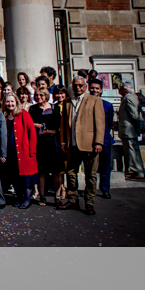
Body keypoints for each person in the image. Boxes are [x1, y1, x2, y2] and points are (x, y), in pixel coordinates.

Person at [57, 76, 104, 215]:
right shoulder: (67, 102)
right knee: (71, 173)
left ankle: (89, 203)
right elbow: (64, 124)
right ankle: (72, 199)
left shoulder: (94, 101)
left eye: (80, 85)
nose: (78, 88)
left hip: (89, 143)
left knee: (91, 175)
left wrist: (98, 142)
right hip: (72, 144)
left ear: (85, 86)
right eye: (75, 85)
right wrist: (64, 142)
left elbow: (100, 123)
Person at [1, 93, 37, 209]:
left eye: (12, 101)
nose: (10, 104)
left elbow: (32, 131)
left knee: (26, 177)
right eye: (8, 102)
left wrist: (32, 150)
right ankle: (19, 197)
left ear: (16, 102)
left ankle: (27, 199)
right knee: (15, 176)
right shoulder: (5, 116)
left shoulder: (23, 114)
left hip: (24, 150)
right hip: (11, 150)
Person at [28, 88, 62, 206]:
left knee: (56, 172)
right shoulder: (32, 109)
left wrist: (46, 130)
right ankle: (42, 196)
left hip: (53, 143)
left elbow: (58, 126)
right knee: (41, 172)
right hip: (39, 143)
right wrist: (36, 125)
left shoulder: (54, 108)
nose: (38, 97)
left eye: (41, 95)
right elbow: (29, 124)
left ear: (46, 96)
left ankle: (57, 196)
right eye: (36, 95)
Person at [87, 79, 114, 198]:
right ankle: (89, 189)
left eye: (97, 88)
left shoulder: (107, 105)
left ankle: (105, 188)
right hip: (89, 141)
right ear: (88, 89)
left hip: (105, 140)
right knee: (90, 168)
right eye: (92, 88)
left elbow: (109, 122)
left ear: (101, 90)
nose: (94, 90)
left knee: (105, 166)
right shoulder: (85, 104)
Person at [118, 82, 145, 179]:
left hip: (129, 130)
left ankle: (137, 170)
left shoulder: (129, 98)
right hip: (129, 129)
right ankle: (137, 169)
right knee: (133, 150)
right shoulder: (128, 98)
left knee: (132, 150)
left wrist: (138, 127)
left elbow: (134, 114)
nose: (119, 90)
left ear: (125, 90)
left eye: (121, 88)